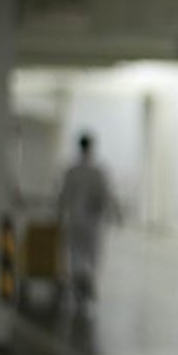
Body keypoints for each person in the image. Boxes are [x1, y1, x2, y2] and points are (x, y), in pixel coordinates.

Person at [58, 132, 118, 309]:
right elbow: (106, 196)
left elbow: (63, 196)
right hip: (92, 222)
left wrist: (58, 214)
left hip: (73, 220)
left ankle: (79, 285)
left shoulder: (71, 171)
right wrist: (115, 215)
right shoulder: (98, 172)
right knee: (92, 255)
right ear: (91, 148)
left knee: (75, 253)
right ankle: (86, 282)